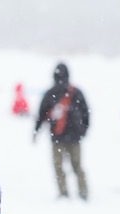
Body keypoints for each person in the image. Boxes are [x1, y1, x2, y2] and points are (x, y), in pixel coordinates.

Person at [34, 62, 90, 200]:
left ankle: (64, 192)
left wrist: (36, 131)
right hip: (73, 137)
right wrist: (83, 130)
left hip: (57, 137)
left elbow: (41, 115)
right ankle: (82, 192)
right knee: (76, 165)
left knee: (58, 167)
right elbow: (86, 113)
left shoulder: (50, 93)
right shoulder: (76, 92)